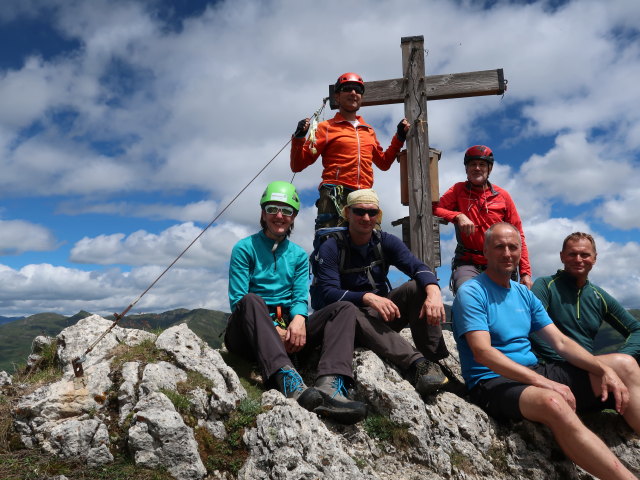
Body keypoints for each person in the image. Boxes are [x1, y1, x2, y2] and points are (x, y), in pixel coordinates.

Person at [452, 222, 640, 480]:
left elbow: (560, 343)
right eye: (499, 247)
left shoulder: (523, 294)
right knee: (554, 402)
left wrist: (604, 369)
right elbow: (483, 353)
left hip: (533, 371)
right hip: (491, 382)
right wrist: (545, 384)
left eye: (513, 247)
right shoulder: (472, 292)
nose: (507, 253)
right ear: (485, 251)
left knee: (625, 364)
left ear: (520, 252)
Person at [225, 181, 367, 424]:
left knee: (344, 308)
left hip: (288, 325)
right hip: (248, 331)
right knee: (250, 299)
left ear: (294, 217)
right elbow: (238, 299)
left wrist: (299, 320)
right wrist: (274, 330)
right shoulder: (244, 248)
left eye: (286, 211)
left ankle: (330, 384)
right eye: (272, 209)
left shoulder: (299, 255)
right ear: (262, 213)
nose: (279, 216)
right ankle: (288, 380)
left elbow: (300, 296)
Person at [311, 188, 450, 396]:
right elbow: (329, 293)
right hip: (344, 322)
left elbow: (417, 267)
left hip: (378, 316)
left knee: (417, 287)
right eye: (359, 211)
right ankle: (416, 364)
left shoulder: (385, 241)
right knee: (348, 308)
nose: (366, 218)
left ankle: (434, 362)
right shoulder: (331, 247)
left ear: (379, 215)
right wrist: (366, 297)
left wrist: (434, 292)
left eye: (372, 212)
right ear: (347, 213)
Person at [290, 72, 410, 229]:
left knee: (372, 249)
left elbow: (384, 163)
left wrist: (399, 137)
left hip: (365, 195)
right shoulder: (325, 128)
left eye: (358, 90)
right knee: (331, 244)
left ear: (361, 97)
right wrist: (299, 137)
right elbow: (297, 165)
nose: (353, 93)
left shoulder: (368, 130)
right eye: (347, 88)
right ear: (337, 97)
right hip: (334, 194)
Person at [432, 145, 532, 293]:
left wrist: (525, 272)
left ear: (489, 169)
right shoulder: (458, 190)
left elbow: (518, 235)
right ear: (466, 169)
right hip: (468, 262)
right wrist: (457, 216)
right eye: (472, 164)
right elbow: (434, 209)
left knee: (503, 305)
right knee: (467, 293)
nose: (477, 168)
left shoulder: (503, 196)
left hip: (500, 261)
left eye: (482, 164)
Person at [531, 232, 640, 366]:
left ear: (594, 258)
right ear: (562, 257)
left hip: (588, 368)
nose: (578, 259)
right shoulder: (545, 286)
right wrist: (569, 362)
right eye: (572, 254)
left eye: (585, 255)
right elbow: (532, 325)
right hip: (549, 366)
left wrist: (622, 357)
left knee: (628, 366)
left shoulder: (599, 296)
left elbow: (636, 330)